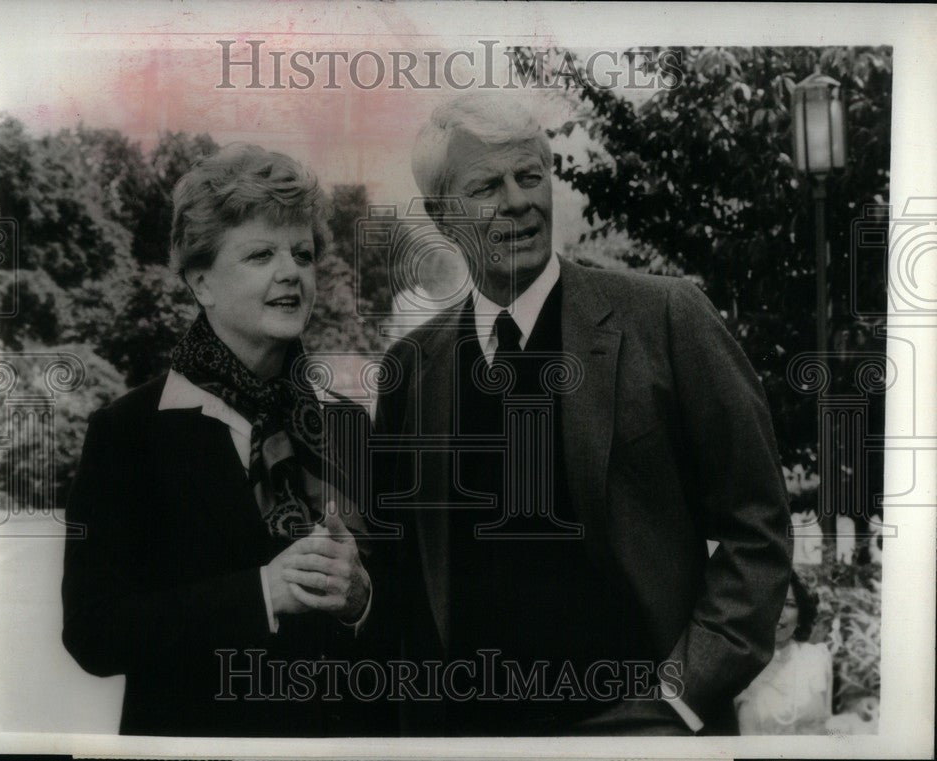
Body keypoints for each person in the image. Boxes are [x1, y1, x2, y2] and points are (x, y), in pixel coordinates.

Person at [370, 93, 793, 736]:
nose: (518, 201)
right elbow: (399, 578)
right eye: (487, 185)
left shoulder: (667, 317)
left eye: (531, 176)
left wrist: (680, 697)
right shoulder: (411, 368)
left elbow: (757, 526)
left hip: (640, 732)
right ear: (441, 216)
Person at [62, 145, 382, 737]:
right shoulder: (129, 433)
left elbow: (404, 622)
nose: (291, 271)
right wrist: (261, 594)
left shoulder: (349, 429)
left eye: (303, 254)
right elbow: (94, 633)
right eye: (261, 254)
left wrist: (361, 599)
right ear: (201, 281)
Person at [735, 571, 834, 734]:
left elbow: (827, 725)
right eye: (772, 601)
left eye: (789, 604)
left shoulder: (816, 658)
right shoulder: (741, 663)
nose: (780, 612)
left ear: (801, 613)